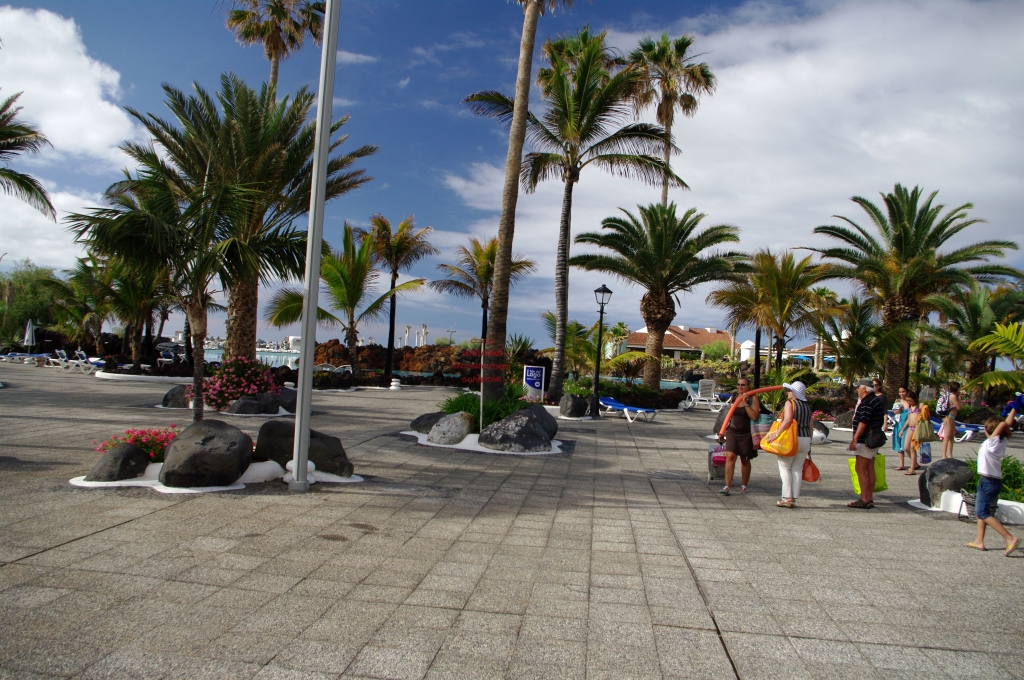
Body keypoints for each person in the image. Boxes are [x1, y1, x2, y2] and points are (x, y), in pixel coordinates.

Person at [966, 409, 1021, 556]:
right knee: (981, 510)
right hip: (990, 481)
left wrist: (1014, 407)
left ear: (990, 429)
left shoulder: (992, 442)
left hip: (988, 482)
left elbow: (1003, 424)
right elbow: (1003, 426)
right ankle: (979, 540)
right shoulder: (1000, 441)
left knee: (982, 512)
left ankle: (1009, 538)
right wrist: (1014, 409)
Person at [763, 381, 812, 508]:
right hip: (805, 438)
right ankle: (793, 497)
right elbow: (810, 425)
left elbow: (787, 420)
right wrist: (810, 443)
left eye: (789, 391)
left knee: (785, 467)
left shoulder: (790, 403)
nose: (787, 393)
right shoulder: (807, 406)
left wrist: (776, 434)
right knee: (797, 469)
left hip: (792, 439)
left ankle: (786, 497)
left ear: (795, 392)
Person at [718, 376, 760, 496]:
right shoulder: (735, 396)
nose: (740, 387)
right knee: (730, 456)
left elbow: (754, 416)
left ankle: (744, 485)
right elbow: (728, 415)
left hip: (747, 433)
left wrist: (746, 404)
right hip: (733, 431)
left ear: (748, 387)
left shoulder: (753, 398)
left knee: (745, 459)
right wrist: (721, 432)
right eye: (738, 384)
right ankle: (727, 486)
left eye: (743, 385)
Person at [848, 378, 885, 508]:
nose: (857, 390)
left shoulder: (867, 402)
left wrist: (855, 439)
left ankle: (864, 498)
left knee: (860, 468)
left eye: (858, 387)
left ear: (864, 389)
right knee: (869, 468)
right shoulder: (876, 400)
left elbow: (863, 421)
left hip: (866, 439)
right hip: (874, 438)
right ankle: (869, 498)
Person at [897, 391, 920, 474]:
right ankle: (915, 463)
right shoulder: (910, 408)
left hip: (916, 428)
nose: (909, 402)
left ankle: (912, 468)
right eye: (907, 401)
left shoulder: (919, 407)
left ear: (914, 399)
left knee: (912, 448)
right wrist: (903, 429)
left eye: (910, 400)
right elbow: (908, 419)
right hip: (910, 428)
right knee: (906, 448)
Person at [938, 381, 962, 459]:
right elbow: (959, 407)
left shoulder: (952, 396)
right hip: (949, 417)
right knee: (947, 436)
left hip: (952, 417)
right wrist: (960, 399)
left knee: (951, 436)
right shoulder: (953, 396)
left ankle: (950, 455)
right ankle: (944, 455)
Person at [892, 386, 909, 468]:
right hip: (899, 424)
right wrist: (896, 411)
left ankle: (914, 463)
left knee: (906, 445)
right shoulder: (898, 401)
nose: (901, 393)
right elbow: (894, 412)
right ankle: (901, 464)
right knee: (899, 443)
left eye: (903, 391)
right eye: (900, 392)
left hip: (907, 425)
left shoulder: (910, 401)